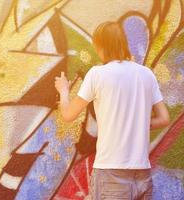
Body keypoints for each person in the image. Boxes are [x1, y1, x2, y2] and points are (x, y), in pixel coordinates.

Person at [54, 21, 170, 200]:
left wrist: (63, 91)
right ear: (122, 43)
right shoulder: (146, 74)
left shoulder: (97, 74)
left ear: (101, 46)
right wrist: (135, 125)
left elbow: (68, 114)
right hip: (142, 174)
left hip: (110, 173)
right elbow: (163, 119)